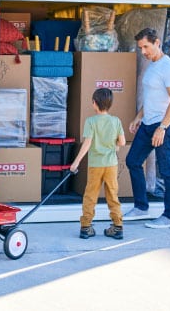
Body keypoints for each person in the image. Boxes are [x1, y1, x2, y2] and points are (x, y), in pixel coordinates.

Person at [123, 28, 170, 229]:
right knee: (133, 161)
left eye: (146, 47)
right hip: (148, 123)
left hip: (164, 125)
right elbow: (151, 99)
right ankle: (141, 207)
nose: (143, 52)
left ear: (157, 42)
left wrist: (163, 128)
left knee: (167, 170)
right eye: (140, 48)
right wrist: (138, 117)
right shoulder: (152, 66)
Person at [70, 88, 126, 240]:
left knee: (90, 195)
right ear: (110, 104)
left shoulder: (91, 121)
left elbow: (87, 143)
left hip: (95, 165)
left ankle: (86, 227)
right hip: (111, 165)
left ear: (94, 103)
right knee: (112, 194)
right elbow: (121, 141)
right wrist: (116, 147)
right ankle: (117, 226)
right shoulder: (116, 121)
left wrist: (76, 162)